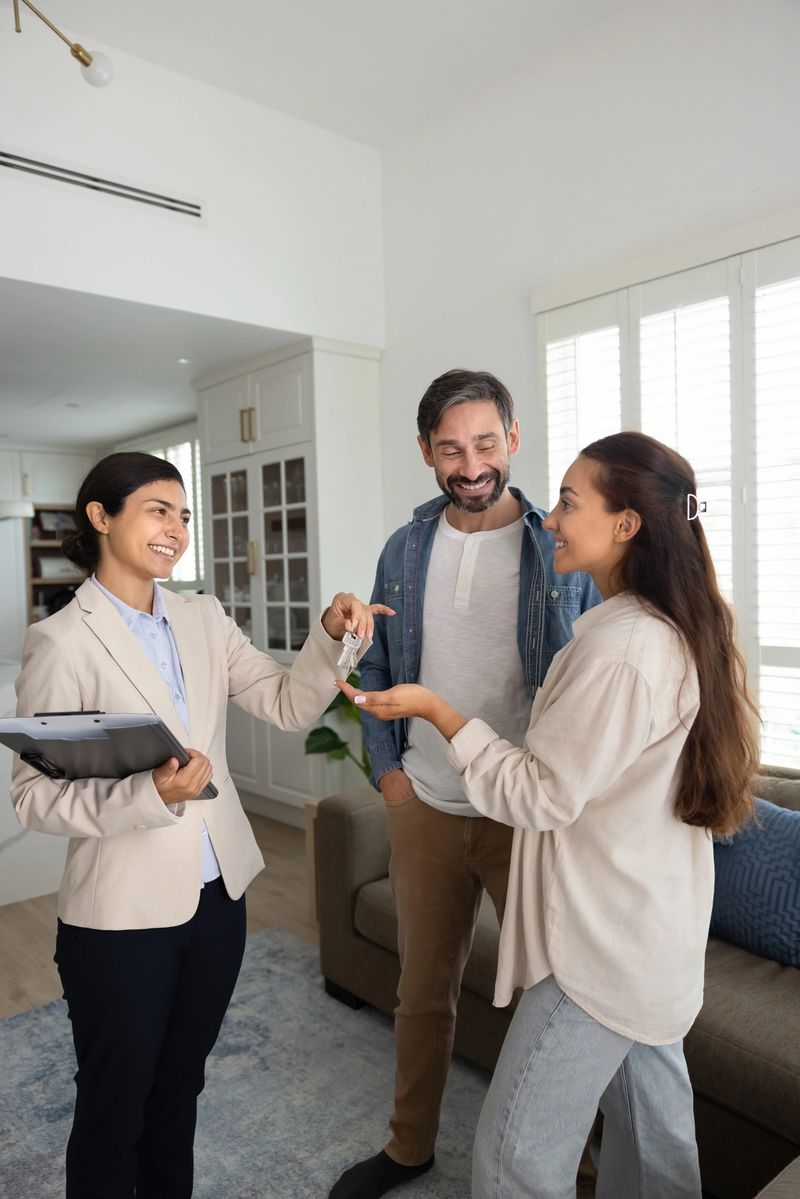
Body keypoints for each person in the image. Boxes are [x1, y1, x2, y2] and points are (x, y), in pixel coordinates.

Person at [339, 431, 760, 1199]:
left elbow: (539, 791)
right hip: (646, 932)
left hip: (602, 946)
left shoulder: (624, 649)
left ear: (627, 523)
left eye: (570, 501)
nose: (555, 518)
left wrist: (437, 709)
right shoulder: (647, 628)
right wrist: (394, 764)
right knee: (656, 1143)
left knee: (511, 1157)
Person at [10, 451, 391, 1199]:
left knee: (180, 1087)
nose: (176, 529)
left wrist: (328, 637)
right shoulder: (62, 639)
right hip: (119, 918)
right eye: (158, 509)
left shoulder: (203, 615)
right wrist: (148, 793)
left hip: (219, 901)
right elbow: (34, 796)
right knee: (114, 1105)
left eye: (184, 515)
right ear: (100, 516)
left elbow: (286, 703)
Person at [329, 370, 599, 1199]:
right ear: (426, 453)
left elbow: (593, 666)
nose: (471, 463)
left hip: (527, 810)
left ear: (513, 439)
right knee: (422, 993)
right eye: (451, 448)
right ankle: (409, 1147)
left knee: (556, 1003)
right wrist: (390, 775)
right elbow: (373, 661)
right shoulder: (403, 549)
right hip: (429, 806)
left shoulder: (560, 546)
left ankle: (576, 1165)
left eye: (486, 443)